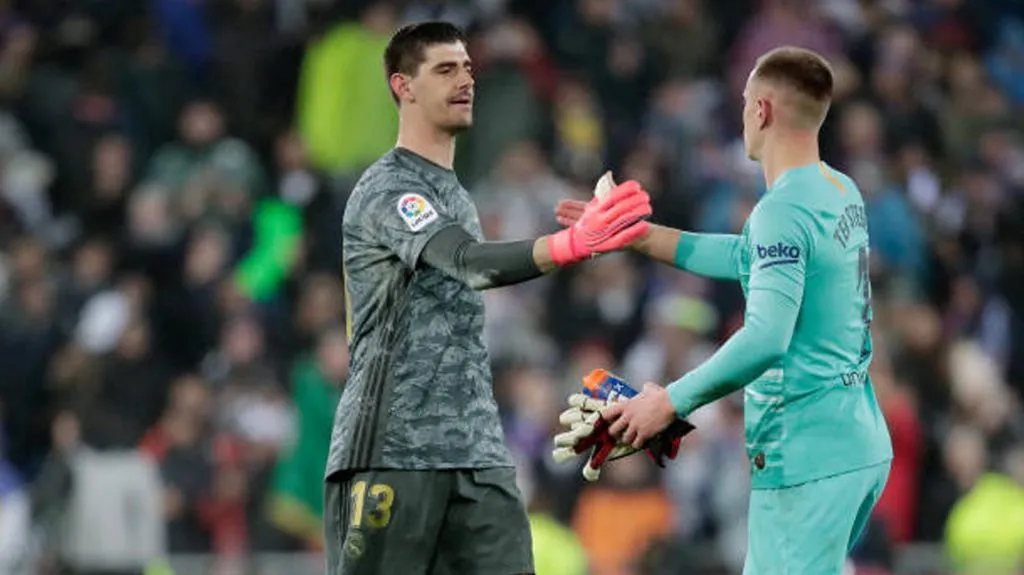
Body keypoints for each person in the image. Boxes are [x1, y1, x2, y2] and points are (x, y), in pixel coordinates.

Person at [326, 21, 652, 575]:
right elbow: (469, 265)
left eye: (470, 69)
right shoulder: (389, 188)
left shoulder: (454, 194)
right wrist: (571, 245)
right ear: (403, 86)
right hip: (395, 450)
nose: (466, 80)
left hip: (477, 454)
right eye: (446, 70)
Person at [559, 46, 894, 574]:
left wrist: (670, 401)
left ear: (761, 110)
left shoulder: (781, 211)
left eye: (744, 103)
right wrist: (639, 237)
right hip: (854, 444)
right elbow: (748, 256)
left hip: (805, 454)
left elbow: (766, 338)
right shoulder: (838, 190)